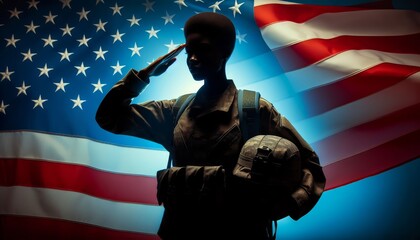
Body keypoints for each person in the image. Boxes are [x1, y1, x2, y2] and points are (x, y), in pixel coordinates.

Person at [96, 12, 326, 240]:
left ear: (224, 52)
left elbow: (310, 166)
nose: (193, 59)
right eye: (189, 52)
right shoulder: (175, 112)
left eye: (203, 49)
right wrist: (142, 77)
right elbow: (109, 117)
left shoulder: (254, 110)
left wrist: (287, 206)